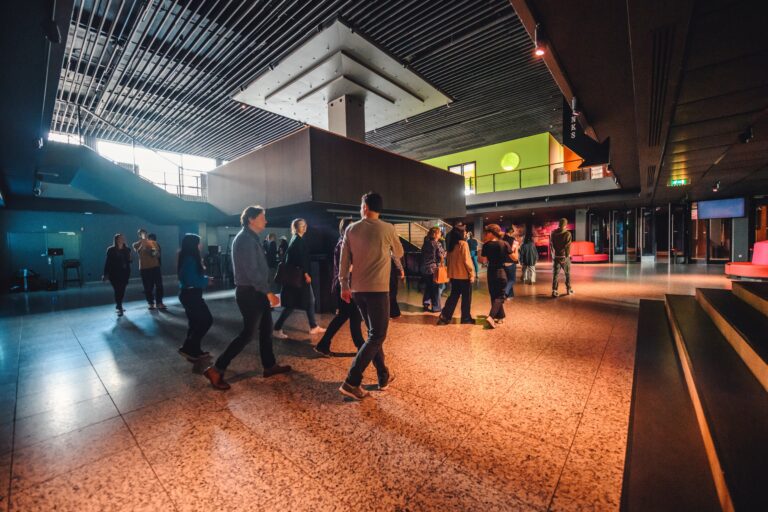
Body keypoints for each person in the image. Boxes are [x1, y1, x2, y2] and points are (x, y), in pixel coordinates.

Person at [203, 206, 291, 390]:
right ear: (251, 219)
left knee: (266, 330)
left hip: (255, 291)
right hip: (250, 293)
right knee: (247, 334)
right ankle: (216, 369)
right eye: (262, 217)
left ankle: (269, 365)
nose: (265, 221)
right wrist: (268, 293)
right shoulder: (244, 240)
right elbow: (252, 272)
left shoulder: (251, 238)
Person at [338, 191, 404, 400]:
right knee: (377, 335)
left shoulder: (351, 229)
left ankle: (383, 375)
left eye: (360, 205)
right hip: (378, 290)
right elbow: (400, 252)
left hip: (357, 290)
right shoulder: (388, 228)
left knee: (373, 334)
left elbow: (344, 261)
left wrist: (343, 285)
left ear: (365, 207)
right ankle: (352, 380)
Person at [314, 218, 365, 356]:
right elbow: (347, 268)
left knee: (347, 316)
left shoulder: (345, 243)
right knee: (352, 316)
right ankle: (361, 347)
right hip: (345, 286)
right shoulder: (343, 244)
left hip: (346, 285)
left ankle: (324, 344)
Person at [273, 219, 326, 338]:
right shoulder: (298, 241)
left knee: (304, 302)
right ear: (296, 227)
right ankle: (277, 328)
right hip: (300, 277)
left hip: (296, 277)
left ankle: (313, 326)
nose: (304, 227)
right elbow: (300, 259)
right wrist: (306, 273)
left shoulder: (295, 239)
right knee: (302, 302)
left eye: (305, 225)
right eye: (301, 225)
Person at [177, 233, 212, 361]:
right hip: (191, 295)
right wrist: (206, 281)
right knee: (206, 320)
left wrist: (205, 279)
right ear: (193, 245)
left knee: (195, 323)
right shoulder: (191, 259)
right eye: (198, 243)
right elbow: (191, 279)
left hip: (188, 294)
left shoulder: (186, 257)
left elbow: (189, 277)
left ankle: (194, 351)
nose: (200, 245)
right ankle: (188, 347)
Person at [437, 224, 475, 325]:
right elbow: (467, 261)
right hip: (464, 276)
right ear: (461, 233)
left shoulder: (451, 245)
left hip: (454, 276)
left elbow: (448, 260)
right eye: (464, 231)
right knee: (466, 298)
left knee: (453, 296)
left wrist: (450, 274)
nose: (466, 233)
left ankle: (445, 316)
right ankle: (466, 318)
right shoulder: (463, 244)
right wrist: (472, 273)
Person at [478, 224, 511, 329]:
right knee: (501, 296)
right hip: (501, 271)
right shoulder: (504, 244)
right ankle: (491, 317)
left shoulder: (486, 245)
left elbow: (483, 260)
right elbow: (514, 258)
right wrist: (516, 249)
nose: (485, 235)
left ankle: (501, 316)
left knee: (494, 295)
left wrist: (480, 253)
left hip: (490, 272)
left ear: (492, 233)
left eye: (487, 233)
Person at [132, 229, 165, 310]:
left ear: (146, 234)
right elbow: (138, 251)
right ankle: (150, 303)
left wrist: (150, 249)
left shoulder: (153, 243)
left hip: (155, 267)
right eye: (141, 234)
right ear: (139, 235)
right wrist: (142, 244)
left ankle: (159, 302)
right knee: (148, 287)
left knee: (159, 285)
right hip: (144, 268)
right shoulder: (136, 244)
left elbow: (156, 255)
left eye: (144, 233)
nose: (143, 235)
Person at [102, 234, 132, 316]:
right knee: (117, 289)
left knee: (122, 289)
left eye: (123, 238)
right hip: (114, 273)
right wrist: (105, 274)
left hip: (125, 273)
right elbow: (108, 263)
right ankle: (119, 305)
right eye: (120, 238)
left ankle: (119, 304)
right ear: (116, 240)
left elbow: (129, 261)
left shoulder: (127, 249)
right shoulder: (111, 250)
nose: (122, 240)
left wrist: (130, 259)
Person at [420, 227, 446, 312]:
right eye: (439, 233)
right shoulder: (437, 243)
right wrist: (445, 253)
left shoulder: (425, 243)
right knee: (435, 288)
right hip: (433, 269)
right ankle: (436, 307)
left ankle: (426, 304)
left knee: (428, 286)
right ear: (435, 234)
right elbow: (441, 255)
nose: (440, 235)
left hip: (424, 268)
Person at [550, 218, 574, 297]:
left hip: (556, 256)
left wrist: (553, 254)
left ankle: (554, 290)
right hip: (564, 257)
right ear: (565, 225)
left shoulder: (553, 233)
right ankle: (568, 289)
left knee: (555, 274)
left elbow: (551, 245)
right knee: (567, 273)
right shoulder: (567, 234)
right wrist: (568, 255)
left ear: (559, 224)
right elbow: (567, 246)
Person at [502, 229, 519, 299]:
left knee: (508, 279)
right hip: (511, 261)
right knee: (512, 280)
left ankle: (510, 295)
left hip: (503, 262)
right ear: (511, 233)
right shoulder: (514, 240)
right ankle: (505, 292)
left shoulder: (502, 240)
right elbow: (514, 251)